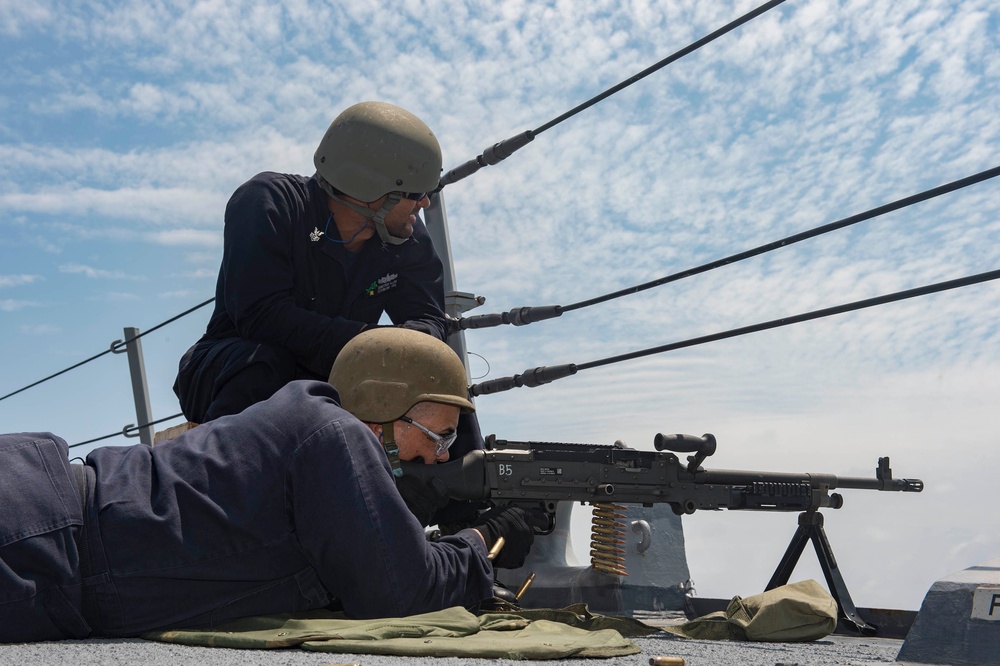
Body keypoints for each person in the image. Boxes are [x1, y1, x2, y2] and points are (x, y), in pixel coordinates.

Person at [0, 329, 540, 643]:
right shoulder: (336, 437)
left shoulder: (310, 421)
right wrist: (480, 545)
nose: (442, 454)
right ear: (382, 406)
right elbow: (395, 590)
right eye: (437, 435)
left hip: (44, 518)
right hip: (44, 540)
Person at [173, 101, 450, 425]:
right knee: (264, 364)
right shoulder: (268, 203)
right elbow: (261, 316)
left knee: (439, 381)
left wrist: (404, 350)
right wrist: (369, 344)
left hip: (341, 369)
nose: (425, 202)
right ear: (370, 190)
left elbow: (428, 317)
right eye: (416, 194)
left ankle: (463, 473)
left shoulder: (405, 235)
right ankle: (226, 471)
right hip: (233, 365)